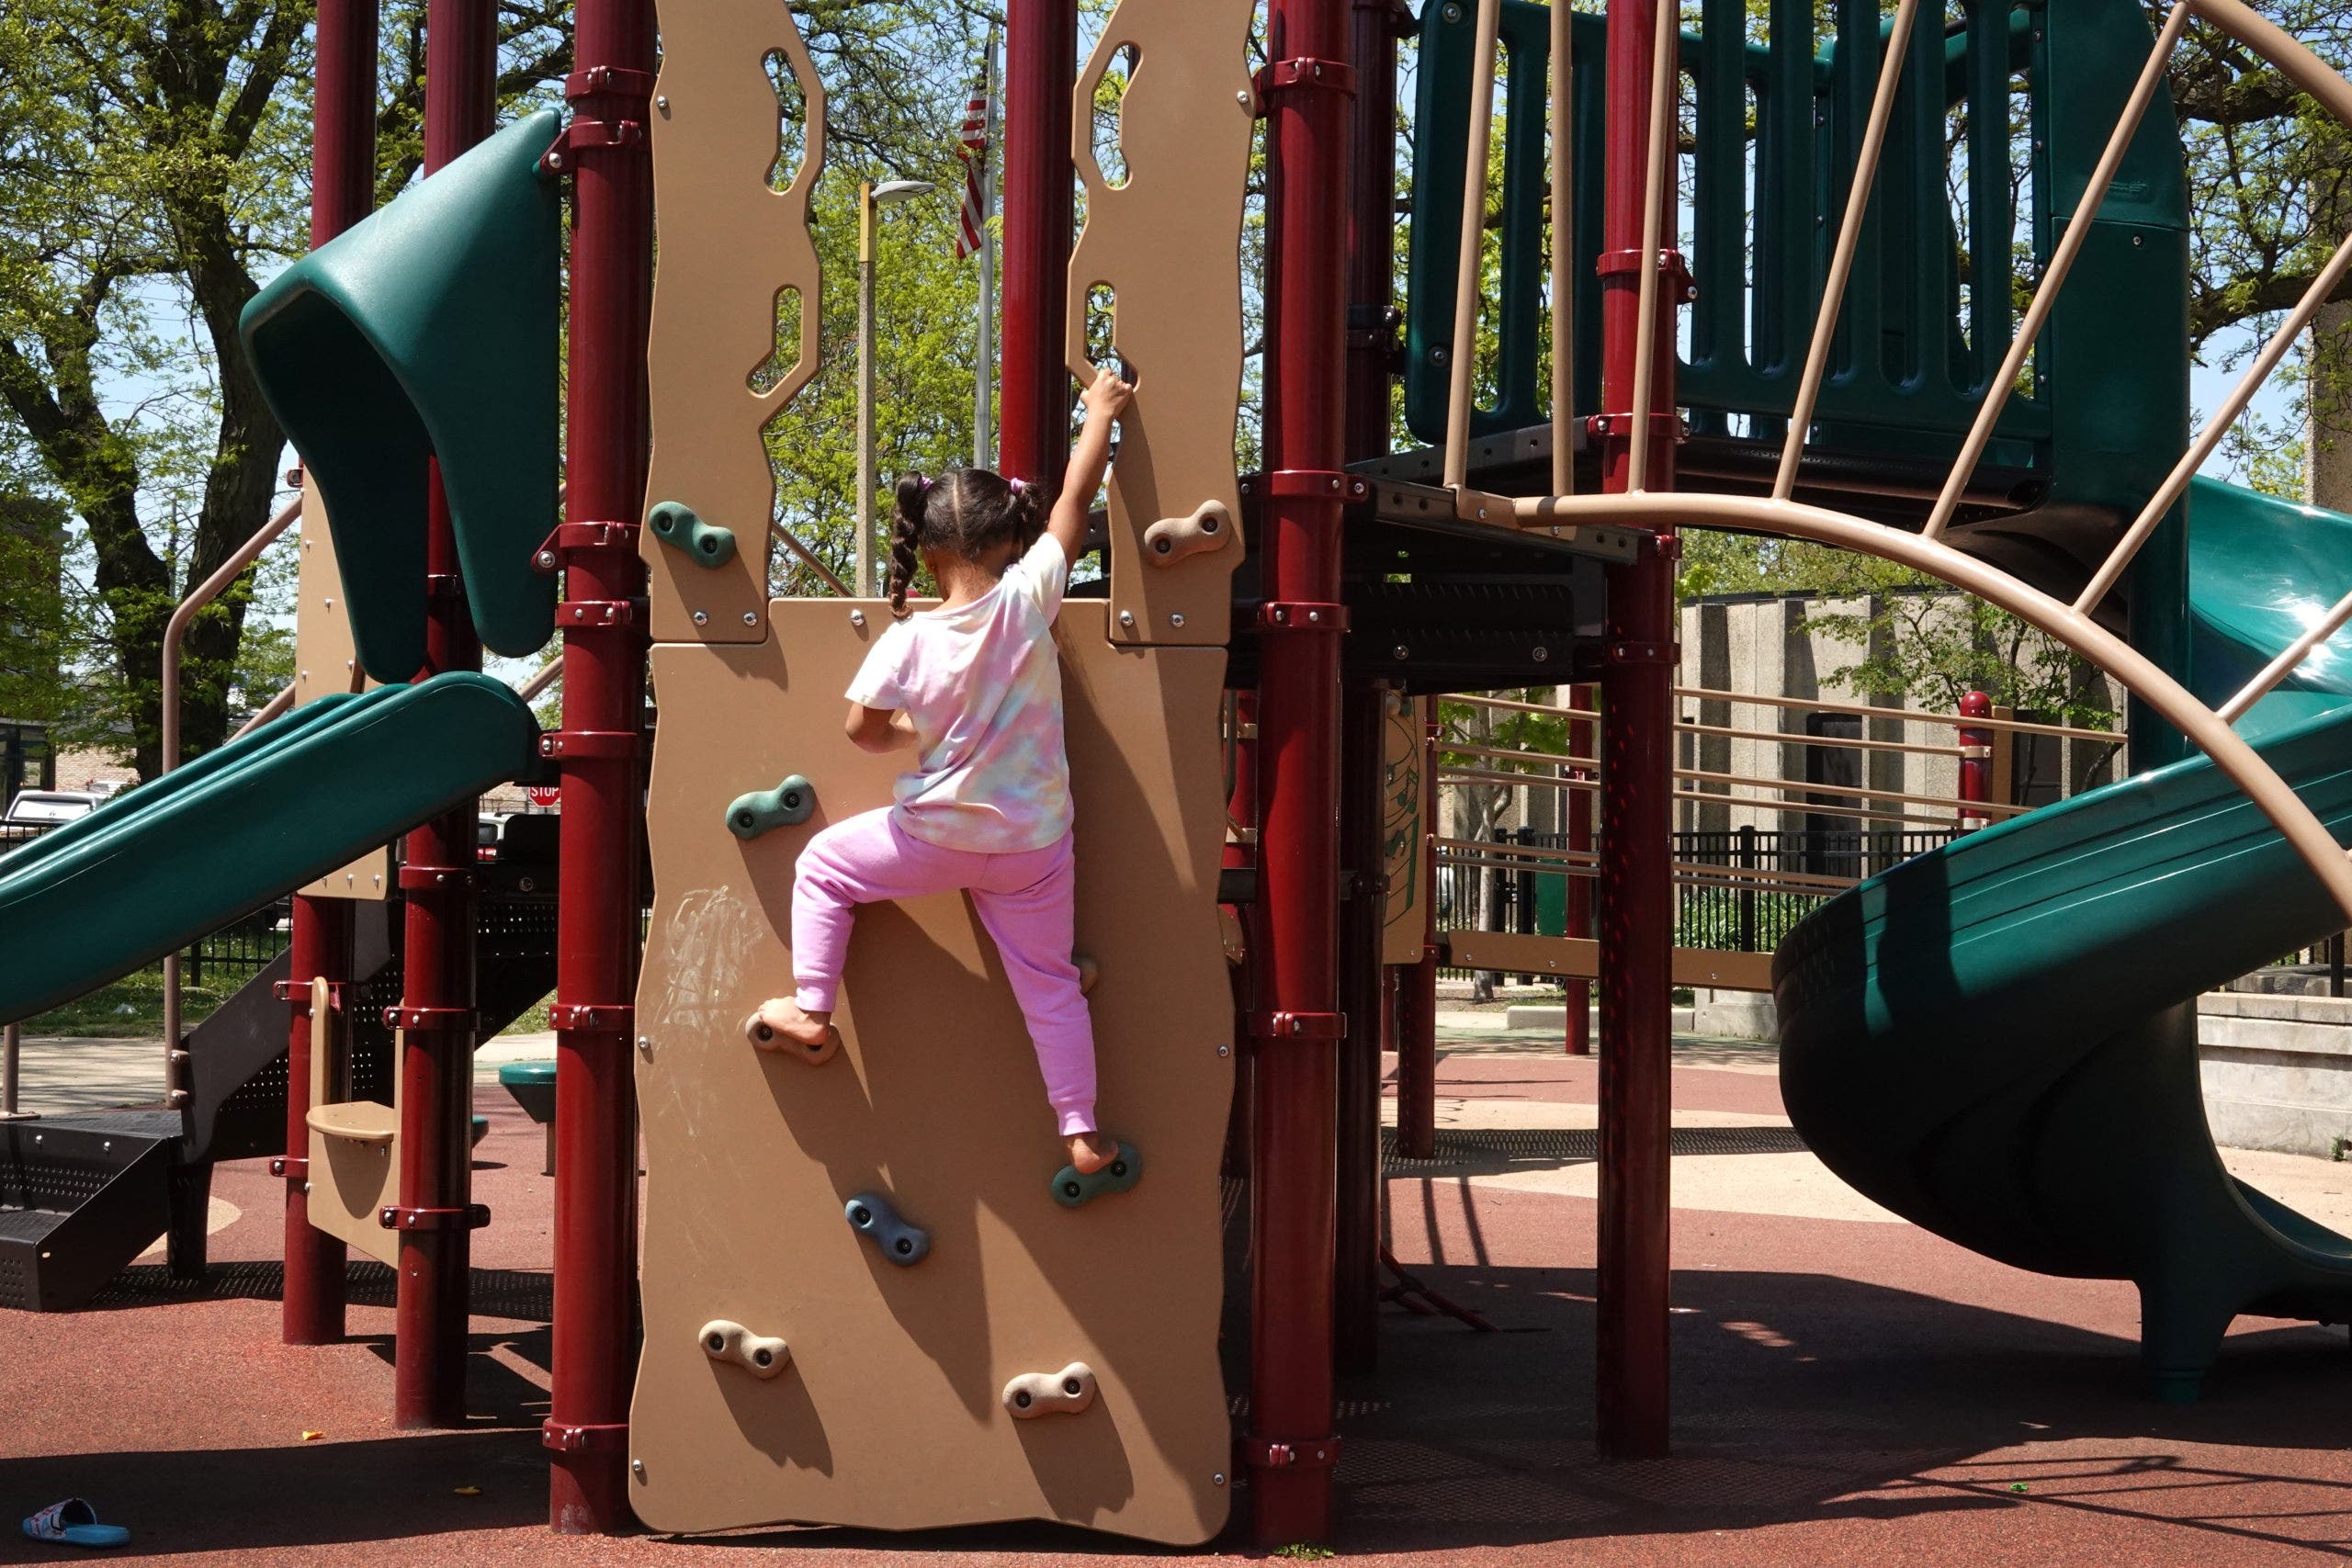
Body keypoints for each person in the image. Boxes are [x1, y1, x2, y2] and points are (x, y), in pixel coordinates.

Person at [752, 368, 1136, 1180]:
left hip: (932, 837)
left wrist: (914, 734)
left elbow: (860, 730)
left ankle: (811, 1010)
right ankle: (1081, 1128)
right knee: (1051, 985)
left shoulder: (909, 640)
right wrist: (1098, 412)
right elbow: (1074, 497)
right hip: (1034, 843)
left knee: (821, 864)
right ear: (1010, 542)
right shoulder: (1031, 599)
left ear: (925, 552)